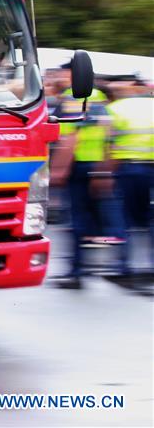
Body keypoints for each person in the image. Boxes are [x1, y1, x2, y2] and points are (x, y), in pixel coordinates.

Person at [49, 83, 127, 288]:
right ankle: (115, 265)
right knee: (97, 217)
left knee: (77, 218)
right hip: (99, 166)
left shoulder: (72, 97)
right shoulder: (101, 99)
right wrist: (106, 171)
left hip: (78, 166)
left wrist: (58, 170)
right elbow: (111, 138)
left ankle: (76, 271)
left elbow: (69, 138)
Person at [106, 77, 154, 277]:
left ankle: (123, 266)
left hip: (127, 169)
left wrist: (105, 173)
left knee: (123, 218)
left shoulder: (117, 108)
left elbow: (109, 143)